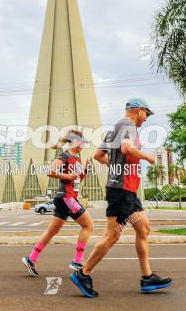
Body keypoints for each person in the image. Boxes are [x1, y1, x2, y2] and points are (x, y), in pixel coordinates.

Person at [70, 98, 172, 297]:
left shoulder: (116, 127)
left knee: (143, 229)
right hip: (122, 190)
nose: (146, 119)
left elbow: (99, 155)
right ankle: (84, 273)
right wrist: (148, 157)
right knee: (113, 235)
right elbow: (127, 149)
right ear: (139, 110)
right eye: (146, 115)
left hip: (127, 190)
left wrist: (116, 165)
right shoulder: (128, 125)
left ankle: (147, 278)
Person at [22, 130, 95, 276]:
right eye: (82, 143)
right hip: (67, 197)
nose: (83, 146)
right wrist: (67, 175)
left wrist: (86, 170)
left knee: (52, 231)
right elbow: (50, 171)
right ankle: (77, 260)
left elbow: (78, 179)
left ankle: (31, 259)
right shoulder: (65, 156)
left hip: (67, 198)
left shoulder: (77, 159)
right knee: (88, 225)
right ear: (75, 142)